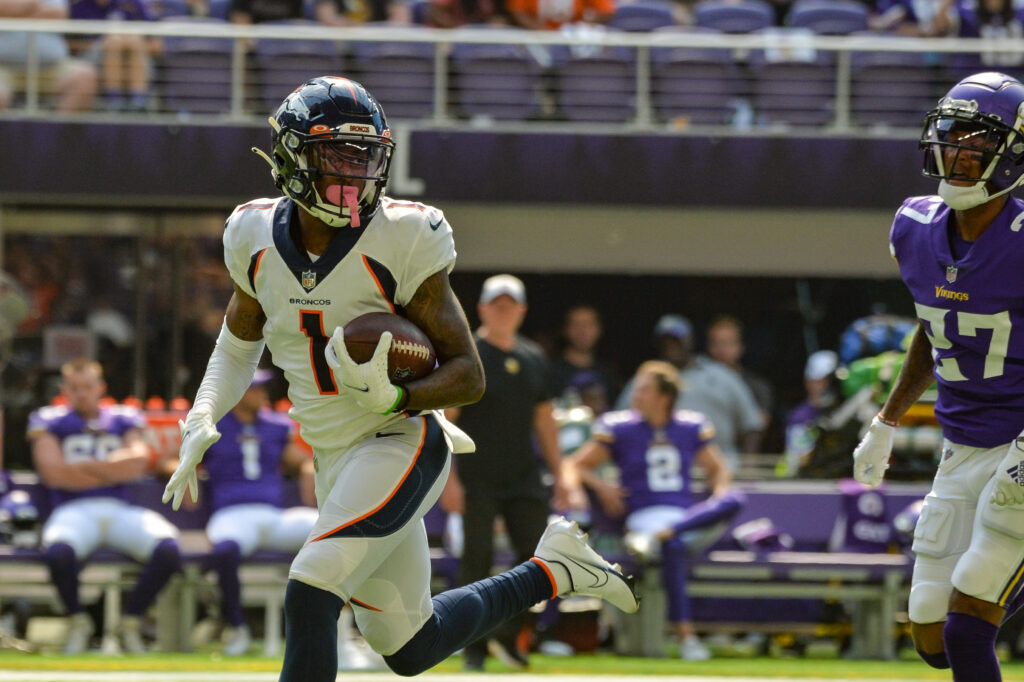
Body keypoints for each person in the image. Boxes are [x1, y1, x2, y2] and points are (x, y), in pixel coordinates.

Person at [160, 76, 638, 682]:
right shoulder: (251, 234)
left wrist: (396, 396)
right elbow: (237, 342)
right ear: (291, 155)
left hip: (400, 440)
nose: (353, 171)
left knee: (311, 586)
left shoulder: (405, 235)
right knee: (410, 646)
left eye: (365, 156)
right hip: (334, 456)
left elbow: (468, 373)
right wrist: (203, 414)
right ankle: (556, 570)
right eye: (337, 153)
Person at [851, 71, 1024, 681]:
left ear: (1011, 154)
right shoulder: (915, 228)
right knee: (931, 632)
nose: (957, 154)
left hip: (1020, 441)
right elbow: (934, 326)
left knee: (969, 620)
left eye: (976, 143)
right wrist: (886, 419)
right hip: (962, 445)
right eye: (950, 138)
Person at [565, 360, 743, 661]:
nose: (636, 396)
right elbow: (575, 465)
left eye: (644, 390)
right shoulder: (620, 428)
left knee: (736, 498)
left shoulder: (690, 427)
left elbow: (719, 471)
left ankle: (670, 534)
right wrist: (603, 486)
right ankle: (687, 637)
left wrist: (719, 494)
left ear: (665, 398)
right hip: (643, 520)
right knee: (671, 545)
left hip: (683, 520)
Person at [439, 274, 569, 671]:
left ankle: (508, 635)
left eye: (510, 306)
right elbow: (445, 420)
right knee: (474, 563)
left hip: (524, 477)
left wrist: (561, 474)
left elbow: (544, 420)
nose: (503, 312)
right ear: (481, 310)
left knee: (541, 560)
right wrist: (449, 479)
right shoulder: (468, 355)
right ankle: (472, 649)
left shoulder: (532, 357)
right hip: (477, 478)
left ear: (522, 312)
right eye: (497, 305)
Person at [29, 359, 181, 654]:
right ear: (65, 390)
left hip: (118, 508)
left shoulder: (122, 418)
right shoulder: (50, 420)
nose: (81, 393)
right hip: (73, 510)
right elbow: (54, 473)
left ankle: (131, 620)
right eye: (74, 388)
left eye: (87, 387)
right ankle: (78, 620)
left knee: (168, 550)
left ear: (100, 388)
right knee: (58, 552)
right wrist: (111, 469)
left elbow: (138, 463)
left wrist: (83, 467)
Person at [616, 314, 764, 469]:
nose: (671, 346)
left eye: (676, 341)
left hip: (719, 471)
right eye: (665, 342)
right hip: (662, 475)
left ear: (690, 341)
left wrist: (748, 468)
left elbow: (751, 426)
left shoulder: (721, 375)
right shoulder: (646, 379)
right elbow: (619, 427)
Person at [0, 0, 97, 112]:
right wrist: (33, 6)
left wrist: (14, 16)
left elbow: (59, 15)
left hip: (51, 67)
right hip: (4, 67)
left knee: (84, 77)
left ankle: (59, 129)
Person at [67, 0, 157, 112]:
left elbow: (156, 44)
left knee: (133, 39)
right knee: (114, 41)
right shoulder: (78, 5)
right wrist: (104, 43)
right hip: (92, 59)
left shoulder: (133, 4)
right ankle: (114, 102)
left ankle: (138, 102)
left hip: (133, 56)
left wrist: (126, 43)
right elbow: (68, 43)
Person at [704, 315, 774, 429]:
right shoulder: (698, 384)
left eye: (728, 343)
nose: (721, 350)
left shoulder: (757, 386)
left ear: (740, 347)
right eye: (716, 343)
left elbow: (759, 426)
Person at [779, 349, 839, 477]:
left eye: (829, 381)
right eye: (820, 380)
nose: (825, 386)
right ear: (808, 382)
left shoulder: (845, 411)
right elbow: (797, 460)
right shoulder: (799, 418)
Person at [550, 304, 618, 411]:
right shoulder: (551, 371)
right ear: (566, 329)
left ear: (599, 329)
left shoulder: (606, 372)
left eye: (589, 324)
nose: (583, 331)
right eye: (576, 324)